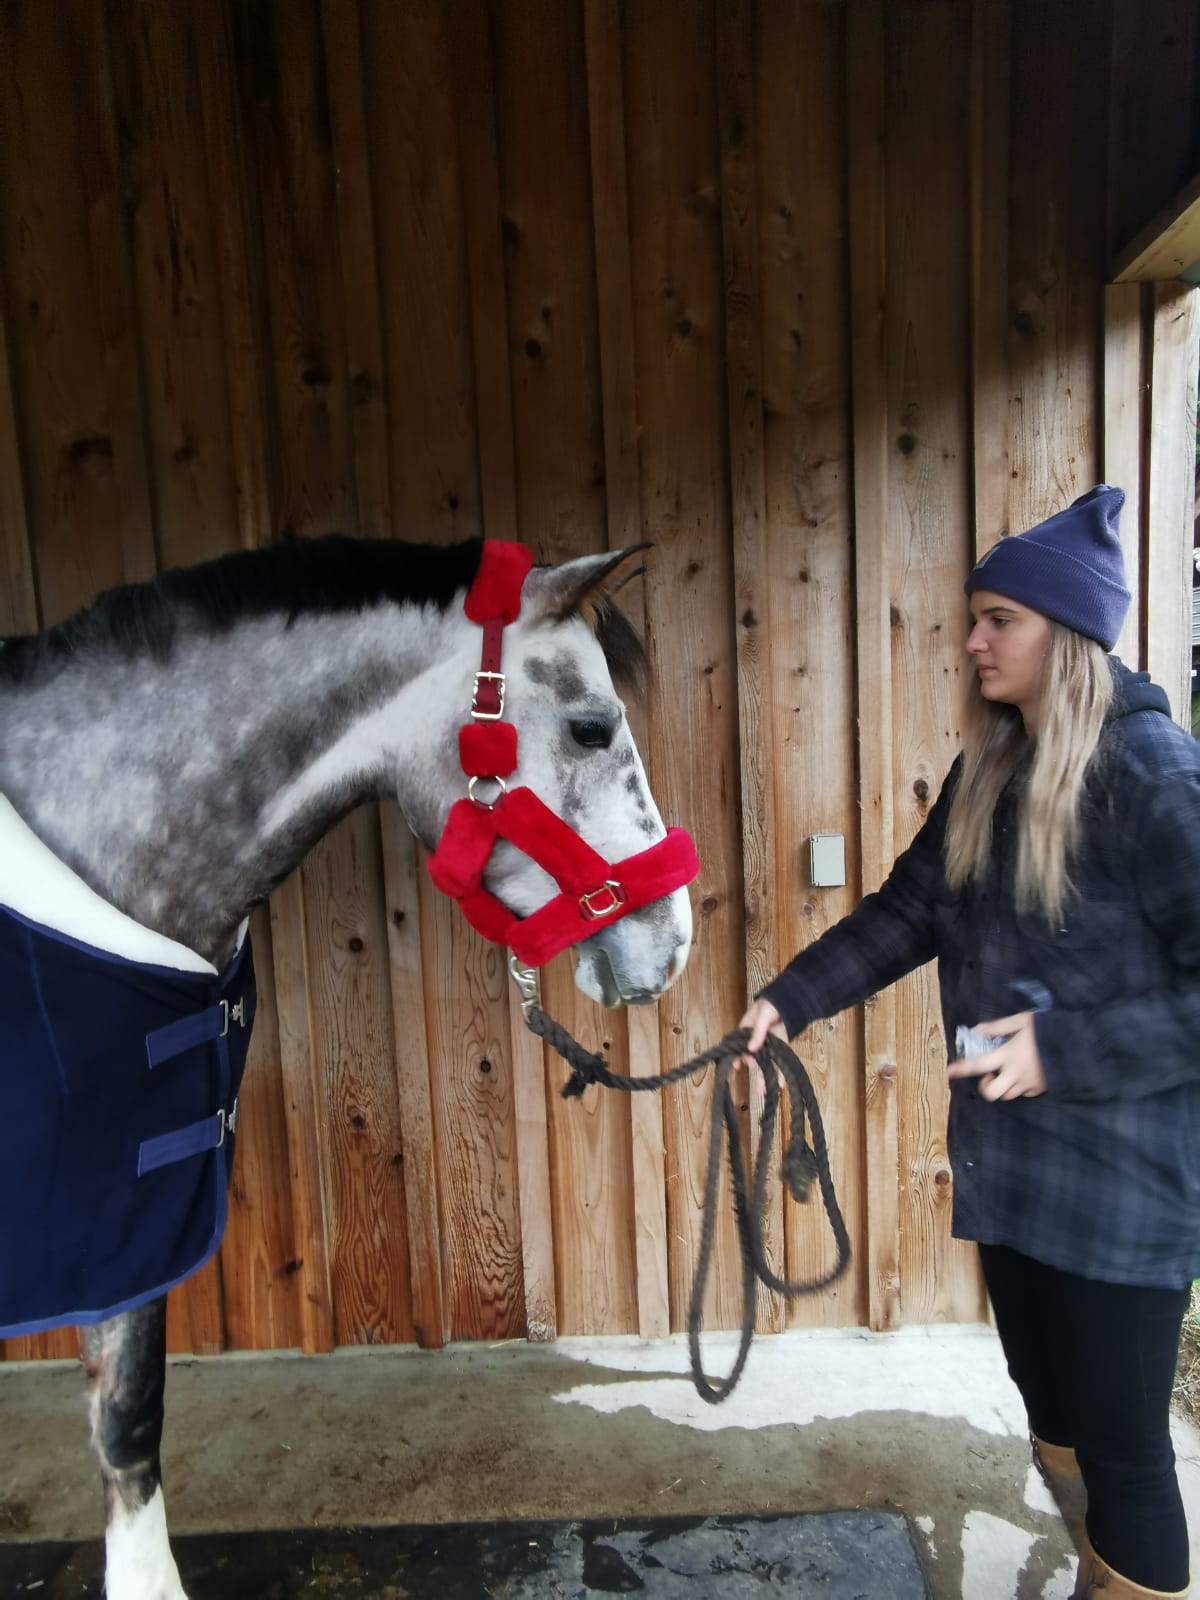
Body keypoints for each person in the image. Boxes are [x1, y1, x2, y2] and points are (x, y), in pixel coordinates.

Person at [738, 485, 1198, 1599]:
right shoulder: (991, 767)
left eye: (1001, 618)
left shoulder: (1151, 773)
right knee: (1056, 1422)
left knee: (1129, 1453)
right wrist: (788, 999)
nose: (974, 638)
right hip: (1015, 1177)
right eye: (974, 615)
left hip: (1124, 1193)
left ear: (1069, 635)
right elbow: (908, 911)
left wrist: (1061, 1048)